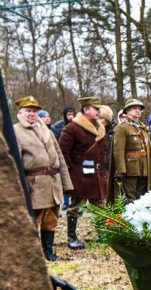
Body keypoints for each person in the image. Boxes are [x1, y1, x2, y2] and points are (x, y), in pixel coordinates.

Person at [12, 95, 73, 262]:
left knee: (51, 219)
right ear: (20, 113)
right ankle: (31, 254)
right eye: (28, 111)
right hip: (34, 184)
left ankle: (48, 252)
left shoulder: (47, 130)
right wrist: (20, 188)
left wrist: (67, 184)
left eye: (35, 111)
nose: (32, 114)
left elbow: (59, 157)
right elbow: (15, 162)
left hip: (53, 181)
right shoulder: (15, 131)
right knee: (33, 220)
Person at [59, 96, 109, 251]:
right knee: (75, 206)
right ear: (86, 109)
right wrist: (73, 170)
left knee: (101, 206)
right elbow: (63, 152)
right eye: (95, 109)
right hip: (80, 176)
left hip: (97, 175)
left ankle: (102, 234)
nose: (99, 112)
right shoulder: (72, 128)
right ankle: (72, 237)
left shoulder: (100, 127)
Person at [111, 98, 151, 202]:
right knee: (130, 198)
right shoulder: (122, 128)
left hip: (144, 168)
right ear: (127, 111)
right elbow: (119, 151)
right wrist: (121, 170)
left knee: (141, 198)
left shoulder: (142, 128)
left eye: (139, 109)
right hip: (130, 169)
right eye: (134, 108)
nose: (138, 111)